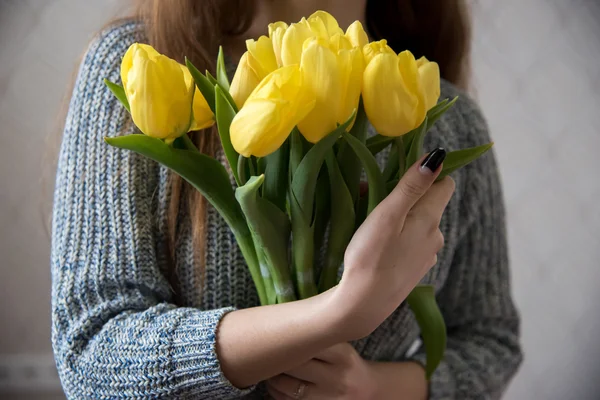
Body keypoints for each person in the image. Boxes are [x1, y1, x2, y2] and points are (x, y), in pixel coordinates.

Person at [50, 0, 522, 399]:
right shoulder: (148, 69)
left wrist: (374, 388)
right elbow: (89, 355)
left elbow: (491, 343)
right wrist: (335, 314)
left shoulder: (442, 116)